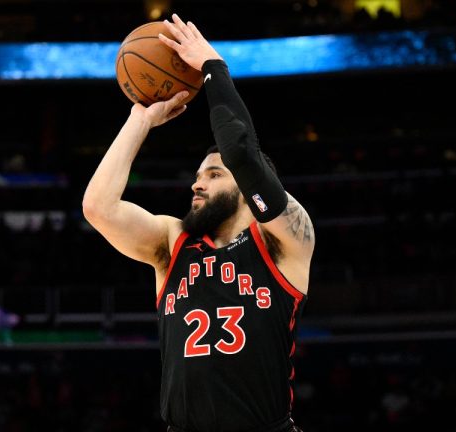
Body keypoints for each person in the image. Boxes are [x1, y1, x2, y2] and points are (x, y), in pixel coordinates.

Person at [83, 14, 314, 432]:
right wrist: (141, 120)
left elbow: (242, 152)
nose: (197, 183)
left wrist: (213, 67)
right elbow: (98, 207)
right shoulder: (174, 241)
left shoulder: (284, 241)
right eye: (197, 175)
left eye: (213, 174)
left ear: (247, 186)